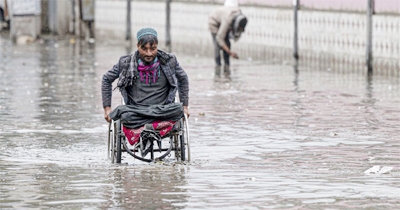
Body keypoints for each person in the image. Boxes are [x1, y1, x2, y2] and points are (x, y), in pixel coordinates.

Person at [101, 27, 189, 128]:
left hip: (163, 111)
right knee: (121, 113)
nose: (149, 53)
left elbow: (183, 78)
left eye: (153, 49)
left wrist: (185, 106)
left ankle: (150, 125)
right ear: (138, 46)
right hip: (136, 112)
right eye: (144, 49)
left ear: (157, 46)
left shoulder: (169, 61)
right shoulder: (126, 62)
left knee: (178, 109)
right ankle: (153, 125)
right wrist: (107, 108)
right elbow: (106, 79)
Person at [208, 0, 247, 75]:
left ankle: (227, 66)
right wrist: (230, 52)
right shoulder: (228, 19)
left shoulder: (239, 16)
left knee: (227, 43)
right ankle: (218, 67)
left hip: (223, 21)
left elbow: (237, 33)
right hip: (214, 22)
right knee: (218, 46)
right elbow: (219, 38)